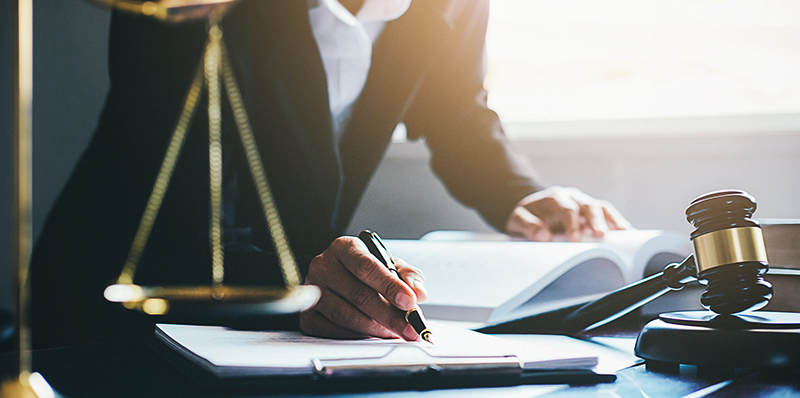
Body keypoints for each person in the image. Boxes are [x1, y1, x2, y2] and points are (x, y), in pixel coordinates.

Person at [30, 0, 629, 349]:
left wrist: (521, 192)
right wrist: (304, 282)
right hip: (120, 318)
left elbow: (454, 109)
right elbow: (178, 215)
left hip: (287, 338)